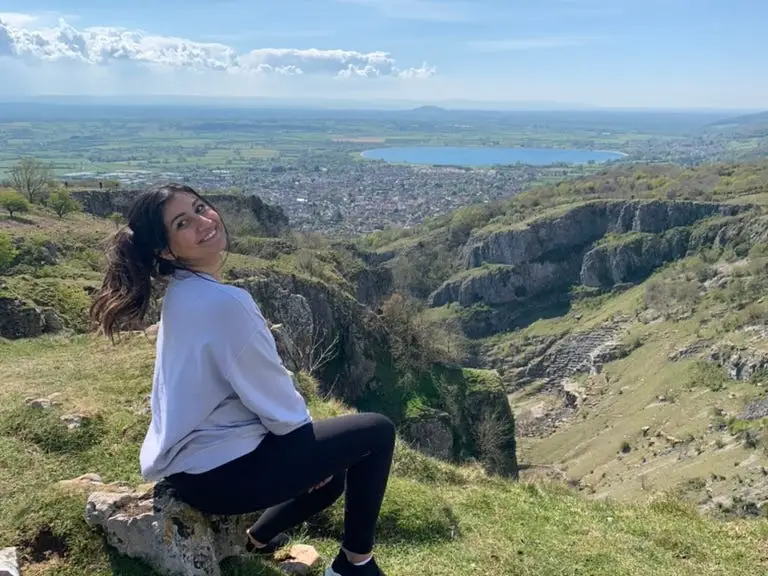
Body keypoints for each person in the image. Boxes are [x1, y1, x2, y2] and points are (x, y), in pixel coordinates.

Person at [90, 183, 395, 576]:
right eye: (184, 222)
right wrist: (308, 455)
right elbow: (281, 407)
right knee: (376, 432)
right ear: (165, 250)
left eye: (201, 208)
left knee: (333, 472)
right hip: (222, 477)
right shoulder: (225, 304)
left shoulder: (185, 294)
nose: (204, 221)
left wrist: (316, 461)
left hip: (193, 470)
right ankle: (355, 564)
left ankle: (257, 538)